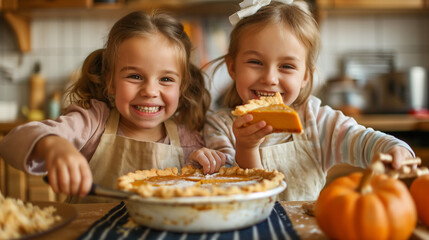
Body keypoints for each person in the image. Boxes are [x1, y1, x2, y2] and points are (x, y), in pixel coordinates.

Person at [0, 11, 227, 203]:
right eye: (135, 76)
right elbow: (11, 143)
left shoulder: (189, 138)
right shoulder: (92, 122)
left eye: (166, 79)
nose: (150, 91)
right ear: (110, 81)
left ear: (182, 87)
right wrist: (53, 146)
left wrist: (206, 165)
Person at [203, 0, 415, 201]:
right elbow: (234, 194)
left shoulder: (318, 120)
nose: (269, 78)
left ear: (305, 76)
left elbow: (362, 140)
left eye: (286, 66)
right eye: (255, 62)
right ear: (232, 67)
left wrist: (395, 149)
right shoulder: (218, 126)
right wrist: (246, 148)